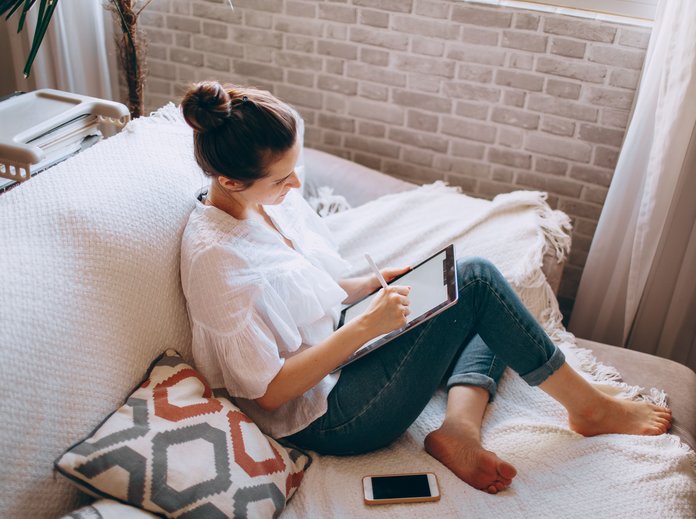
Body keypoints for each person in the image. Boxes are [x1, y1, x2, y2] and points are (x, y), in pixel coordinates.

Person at [179, 81, 672, 495]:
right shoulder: (218, 261)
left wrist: (372, 284)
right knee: (478, 284)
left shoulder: (263, 200)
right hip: (327, 414)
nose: (295, 188)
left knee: (473, 288)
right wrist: (367, 325)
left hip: (344, 344)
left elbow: (310, 290)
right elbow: (268, 393)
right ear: (231, 180)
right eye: (282, 179)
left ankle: (458, 428)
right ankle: (588, 409)